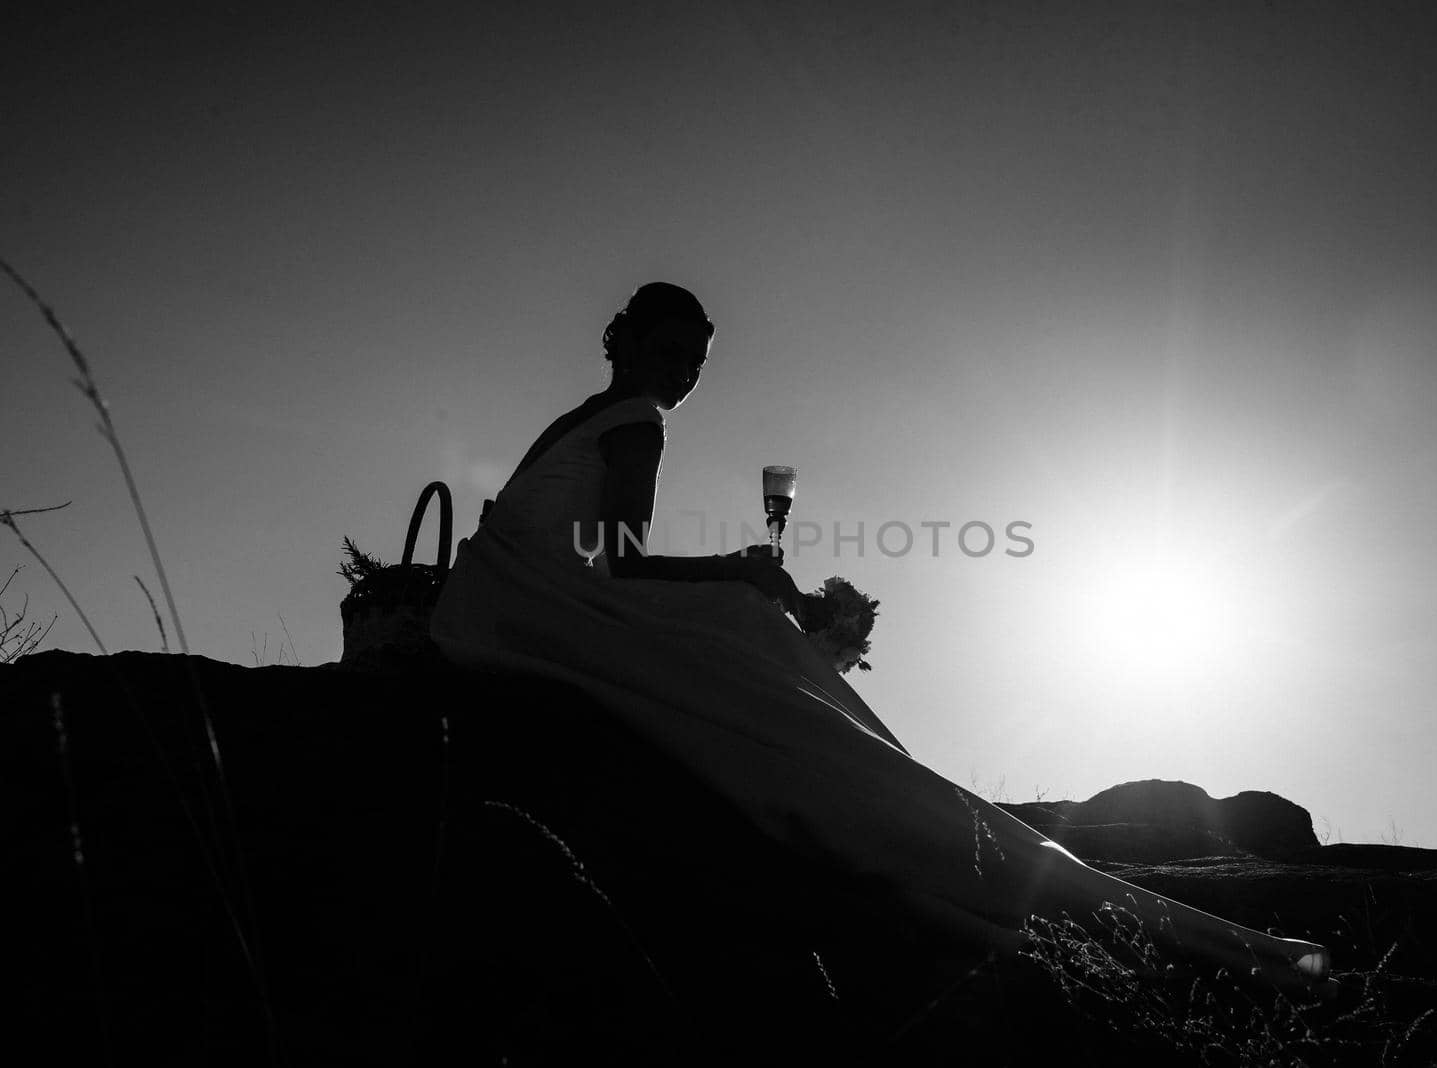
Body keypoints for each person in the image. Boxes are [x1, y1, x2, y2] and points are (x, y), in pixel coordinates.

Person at [428, 281, 1332, 999]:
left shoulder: (584, 415)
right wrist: (740, 570)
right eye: (671, 352)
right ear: (624, 337)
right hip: (546, 613)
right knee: (752, 631)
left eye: (696, 362)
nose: (683, 373)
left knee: (751, 627)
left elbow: (577, 547)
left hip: (498, 603)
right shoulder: (636, 426)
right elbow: (618, 566)